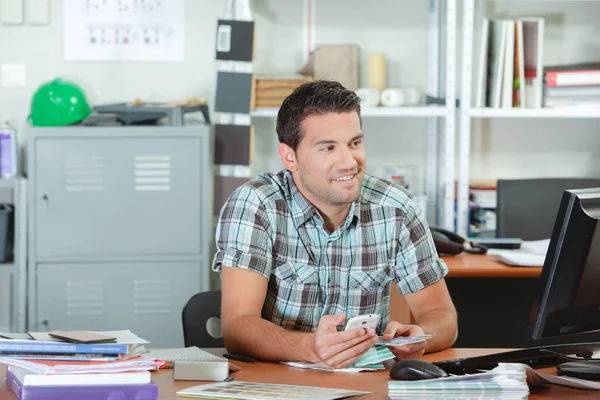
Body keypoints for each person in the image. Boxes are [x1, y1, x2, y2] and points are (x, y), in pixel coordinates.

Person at [212, 80, 457, 369]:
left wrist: (421, 337)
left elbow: (442, 315)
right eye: (328, 148)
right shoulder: (256, 205)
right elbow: (238, 327)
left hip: (364, 383)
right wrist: (312, 348)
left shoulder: (396, 207)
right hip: (277, 382)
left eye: (355, 143)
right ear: (290, 156)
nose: (349, 162)